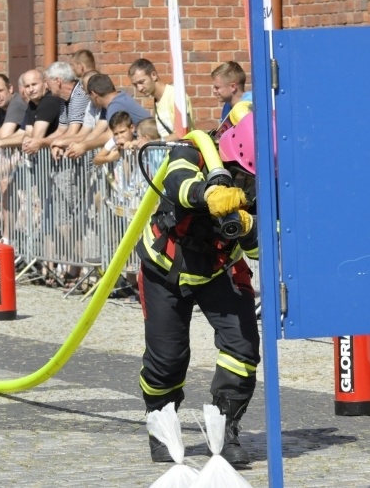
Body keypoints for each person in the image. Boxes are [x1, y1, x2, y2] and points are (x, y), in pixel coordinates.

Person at [136, 115, 259, 466]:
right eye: (237, 175)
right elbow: (177, 184)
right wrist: (210, 193)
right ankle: (161, 424)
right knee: (168, 358)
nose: (243, 184)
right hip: (167, 266)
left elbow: (260, 251)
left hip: (221, 266)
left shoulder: (267, 177)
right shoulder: (193, 150)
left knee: (243, 347)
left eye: (248, 179)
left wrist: (250, 227)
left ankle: (226, 427)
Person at [128, 58, 194, 141]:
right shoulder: (157, 101)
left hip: (184, 152)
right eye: (135, 85)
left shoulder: (175, 95)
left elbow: (183, 133)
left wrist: (154, 143)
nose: (139, 88)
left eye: (141, 82)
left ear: (154, 75)